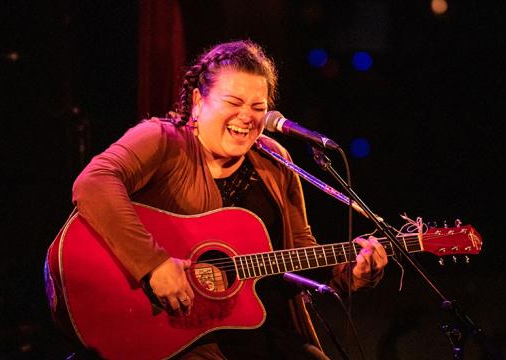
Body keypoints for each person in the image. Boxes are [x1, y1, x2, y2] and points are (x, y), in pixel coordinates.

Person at [59, 40, 387, 359]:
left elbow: (298, 249)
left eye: (258, 107)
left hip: (265, 331)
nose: (247, 116)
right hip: (181, 339)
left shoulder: (276, 161)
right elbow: (94, 183)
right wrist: (153, 264)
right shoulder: (162, 139)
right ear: (199, 101)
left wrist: (349, 273)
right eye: (233, 102)